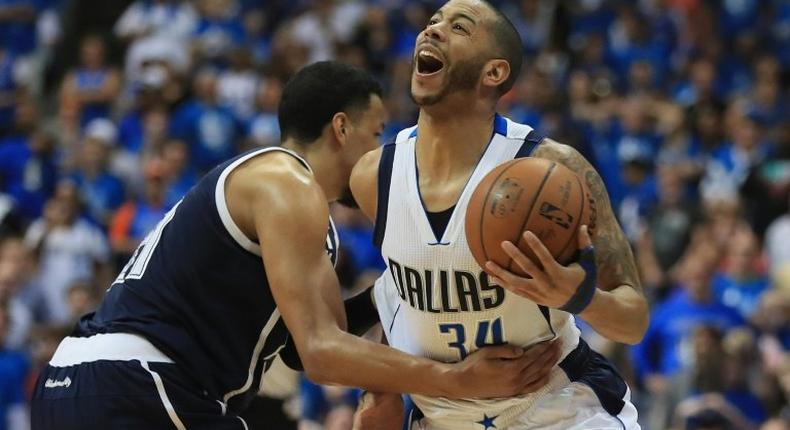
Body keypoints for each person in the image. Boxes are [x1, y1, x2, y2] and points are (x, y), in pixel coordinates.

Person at [30, 61, 547, 430]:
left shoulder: (276, 191)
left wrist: (409, 281)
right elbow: (324, 354)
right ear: (341, 129)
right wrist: (454, 381)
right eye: (377, 132)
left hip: (84, 383)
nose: (382, 153)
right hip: (142, 385)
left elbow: (304, 350)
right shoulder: (287, 182)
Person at [350, 1, 649, 428]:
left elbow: (633, 319)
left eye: (459, 26)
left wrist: (579, 297)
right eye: (433, 21)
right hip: (441, 416)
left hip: (556, 409)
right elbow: (400, 289)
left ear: (494, 73)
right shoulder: (372, 176)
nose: (432, 29)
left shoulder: (553, 169)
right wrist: (378, 389)